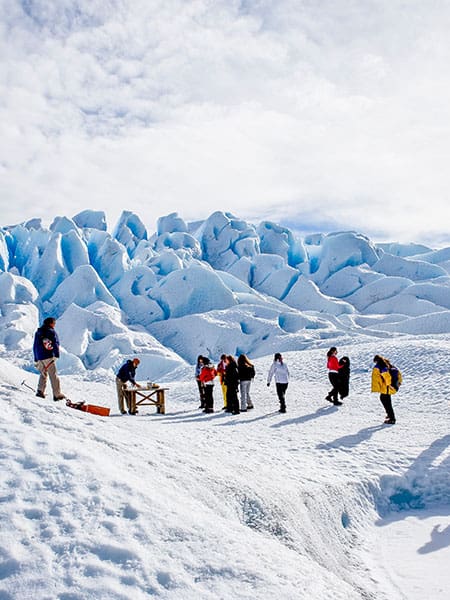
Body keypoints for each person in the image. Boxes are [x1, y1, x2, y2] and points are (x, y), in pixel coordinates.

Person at [33, 317, 65, 401]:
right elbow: (55, 343)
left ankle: (40, 391)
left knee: (43, 374)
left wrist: (36, 358)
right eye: (54, 323)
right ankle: (57, 394)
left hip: (40, 356)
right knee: (53, 375)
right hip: (48, 356)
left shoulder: (38, 332)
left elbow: (35, 346)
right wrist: (56, 355)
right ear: (51, 323)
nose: (54, 325)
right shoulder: (51, 331)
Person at [371, 354, 401, 424]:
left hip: (386, 387)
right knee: (385, 400)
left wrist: (389, 384)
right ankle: (389, 415)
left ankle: (392, 418)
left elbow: (387, 376)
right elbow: (398, 373)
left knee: (386, 401)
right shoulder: (387, 364)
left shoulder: (381, 366)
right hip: (386, 387)